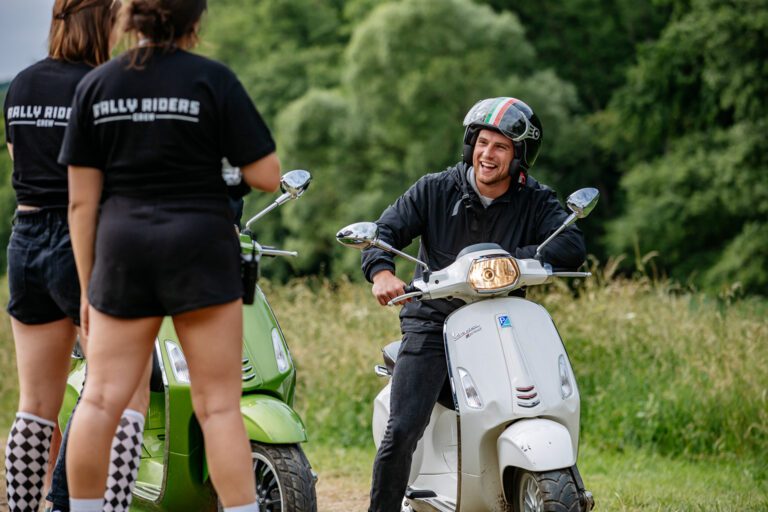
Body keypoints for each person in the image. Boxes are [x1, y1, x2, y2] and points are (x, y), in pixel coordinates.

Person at [58, 0, 281, 510]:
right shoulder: (213, 80)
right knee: (220, 407)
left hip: (123, 254)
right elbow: (267, 174)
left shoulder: (96, 85)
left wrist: (89, 288)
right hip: (202, 249)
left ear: (131, 19)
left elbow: (80, 202)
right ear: (195, 23)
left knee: (100, 399)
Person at [360, 97, 586, 512]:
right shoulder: (434, 189)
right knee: (404, 428)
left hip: (503, 322)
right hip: (433, 321)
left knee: (538, 399)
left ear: (519, 157)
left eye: (501, 147)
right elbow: (384, 231)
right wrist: (382, 272)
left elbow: (570, 244)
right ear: (470, 145)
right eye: (482, 142)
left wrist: (514, 258)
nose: (488, 154)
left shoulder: (535, 199)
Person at [2, 2, 127, 511]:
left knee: (34, 406)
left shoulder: (22, 85)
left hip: (25, 237)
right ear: (101, 21)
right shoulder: (105, 84)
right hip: (85, 237)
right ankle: (71, 503)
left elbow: (19, 160)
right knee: (109, 396)